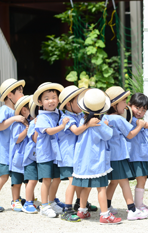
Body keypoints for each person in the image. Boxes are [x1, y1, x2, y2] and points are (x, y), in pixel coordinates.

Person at [72, 88, 122, 225]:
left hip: (83, 162)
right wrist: (105, 125)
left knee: (85, 187)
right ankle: (105, 214)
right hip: (96, 162)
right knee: (101, 188)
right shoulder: (98, 123)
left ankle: (82, 210)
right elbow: (108, 135)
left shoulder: (80, 121)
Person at [104, 86, 148, 220]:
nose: (125, 104)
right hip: (119, 156)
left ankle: (107, 206)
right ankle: (132, 210)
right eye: (123, 101)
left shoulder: (105, 117)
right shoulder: (118, 119)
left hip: (110, 156)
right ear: (115, 104)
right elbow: (130, 135)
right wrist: (140, 126)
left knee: (114, 182)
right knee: (124, 183)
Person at [57, 86, 99, 222]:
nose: (81, 104)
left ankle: (80, 203)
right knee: (73, 182)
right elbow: (76, 131)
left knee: (80, 181)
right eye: (78, 101)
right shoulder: (66, 118)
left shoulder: (79, 115)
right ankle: (67, 210)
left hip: (77, 156)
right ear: (68, 104)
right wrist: (89, 124)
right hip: (68, 156)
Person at [0, 78, 25, 213]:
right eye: (20, 91)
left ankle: (17, 198)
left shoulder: (14, 111)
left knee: (14, 174)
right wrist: (14, 118)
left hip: (9, 151)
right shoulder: (4, 110)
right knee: (3, 176)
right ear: (10, 95)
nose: (22, 94)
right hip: (1, 151)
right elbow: (0, 126)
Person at [33, 82, 66, 218]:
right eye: (47, 98)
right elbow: (49, 131)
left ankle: (52, 202)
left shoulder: (59, 113)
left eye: (54, 97)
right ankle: (44, 205)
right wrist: (62, 126)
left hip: (56, 153)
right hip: (45, 153)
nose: (51, 100)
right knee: (47, 180)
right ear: (40, 102)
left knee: (57, 178)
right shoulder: (42, 117)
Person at [9, 95, 32, 212]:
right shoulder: (17, 124)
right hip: (18, 158)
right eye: (31, 109)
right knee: (17, 182)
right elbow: (17, 139)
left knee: (28, 180)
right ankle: (15, 200)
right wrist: (26, 130)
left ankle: (29, 200)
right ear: (24, 110)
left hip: (28, 157)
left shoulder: (31, 122)